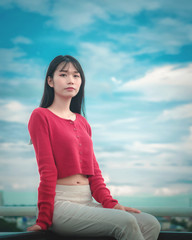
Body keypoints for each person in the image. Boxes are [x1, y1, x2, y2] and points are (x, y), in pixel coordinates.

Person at [27, 55, 160, 240]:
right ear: (50, 81)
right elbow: (47, 170)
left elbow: (95, 173)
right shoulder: (40, 116)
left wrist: (111, 204)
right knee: (125, 222)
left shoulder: (83, 122)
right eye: (63, 74)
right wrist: (43, 219)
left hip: (87, 202)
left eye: (76, 75)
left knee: (151, 223)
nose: (70, 80)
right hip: (60, 204)